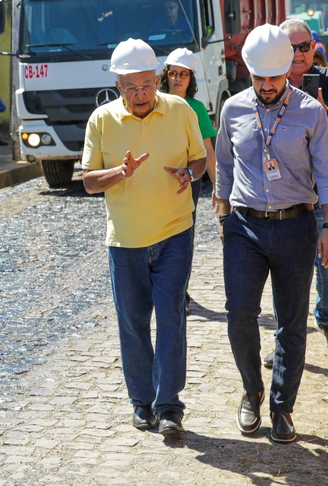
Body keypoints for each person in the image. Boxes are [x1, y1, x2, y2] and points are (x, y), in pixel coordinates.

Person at [215, 24, 328, 444]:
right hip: (245, 227)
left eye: (275, 77)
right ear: (249, 73)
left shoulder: (310, 111)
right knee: (239, 313)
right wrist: (222, 216)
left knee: (291, 322)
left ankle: (282, 408)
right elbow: (225, 165)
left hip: (297, 226)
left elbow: (327, 172)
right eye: (260, 78)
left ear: (288, 68)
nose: (268, 85)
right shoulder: (232, 109)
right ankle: (252, 390)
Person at [82, 38, 207, 437]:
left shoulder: (181, 110)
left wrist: (192, 173)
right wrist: (120, 173)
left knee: (171, 317)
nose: (140, 95)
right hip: (125, 241)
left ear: (158, 79)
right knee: (133, 323)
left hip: (175, 232)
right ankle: (142, 402)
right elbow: (87, 181)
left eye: (147, 85)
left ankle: (169, 405)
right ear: (119, 85)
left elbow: (199, 158)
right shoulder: (101, 120)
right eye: (131, 87)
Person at [282, 18, 328, 356]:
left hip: (323, 195)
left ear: (313, 47)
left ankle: (325, 317)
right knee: (284, 276)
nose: (298, 54)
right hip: (283, 199)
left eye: (303, 46)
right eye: (290, 47)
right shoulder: (272, 83)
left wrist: (324, 111)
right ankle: (283, 341)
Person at [159, 48, 218, 216]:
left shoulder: (197, 108)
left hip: (189, 176)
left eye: (184, 74)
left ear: (191, 78)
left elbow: (207, 149)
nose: (178, 78)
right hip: (159, 176)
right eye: (173, 73)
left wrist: (216, 185)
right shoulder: (154, 103)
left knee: (186, 228)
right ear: (166, 75)